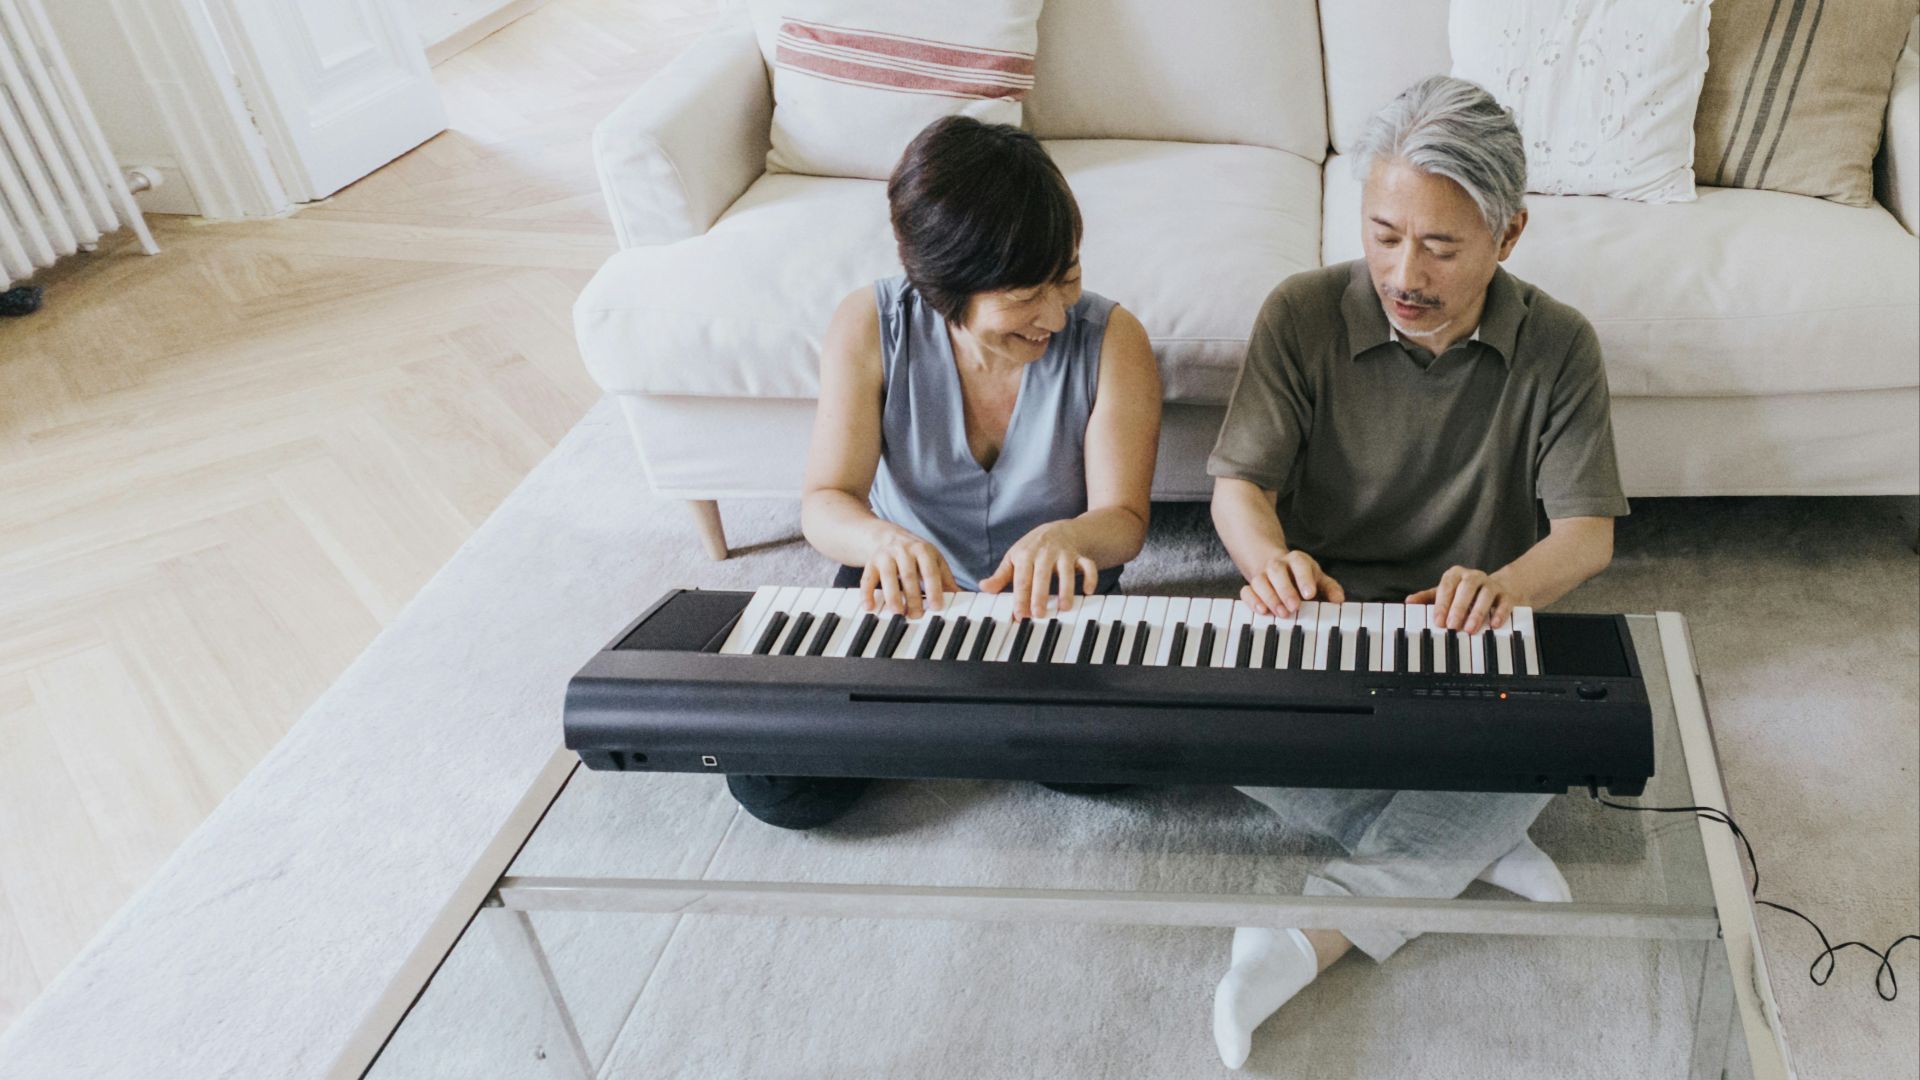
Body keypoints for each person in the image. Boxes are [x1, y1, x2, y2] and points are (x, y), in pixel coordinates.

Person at [1204, 75, 1630, 1069]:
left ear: (1508, 236)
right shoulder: (1302, 313)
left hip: (1466, 638)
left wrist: (1507, 587)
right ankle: (1473, 841)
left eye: (1440, 246)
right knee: (1216, 723)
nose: (1403, 270)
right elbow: (1237, 490)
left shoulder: (1560, 344)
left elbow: (1586, 537)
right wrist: (1269, 565)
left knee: (1569, 722)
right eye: (1383, 231)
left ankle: (1305, 938)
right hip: (1325, 629)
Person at [726, 115, 1162, 831]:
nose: (1053, 314)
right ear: (942, 287)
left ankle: (934, 716)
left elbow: (1124, 522)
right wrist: (880, 544)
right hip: (904, 586)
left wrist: (1073, 538)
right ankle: (961, 714)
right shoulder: (868, 324)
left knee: (1119, 764)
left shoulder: (1114, 339)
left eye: (1069, 279)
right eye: (1024, 297)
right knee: (776, 786)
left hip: (1053, 591)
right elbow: (826, 500)